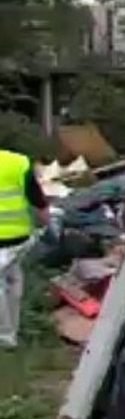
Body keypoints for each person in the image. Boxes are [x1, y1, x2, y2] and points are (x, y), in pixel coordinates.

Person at [0, 148, 50, 348]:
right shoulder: (17, 162)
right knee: (13, 280)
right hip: (19, 237)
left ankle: (5, 336)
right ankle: (11, 334)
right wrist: (47, 223)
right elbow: (37, 199)